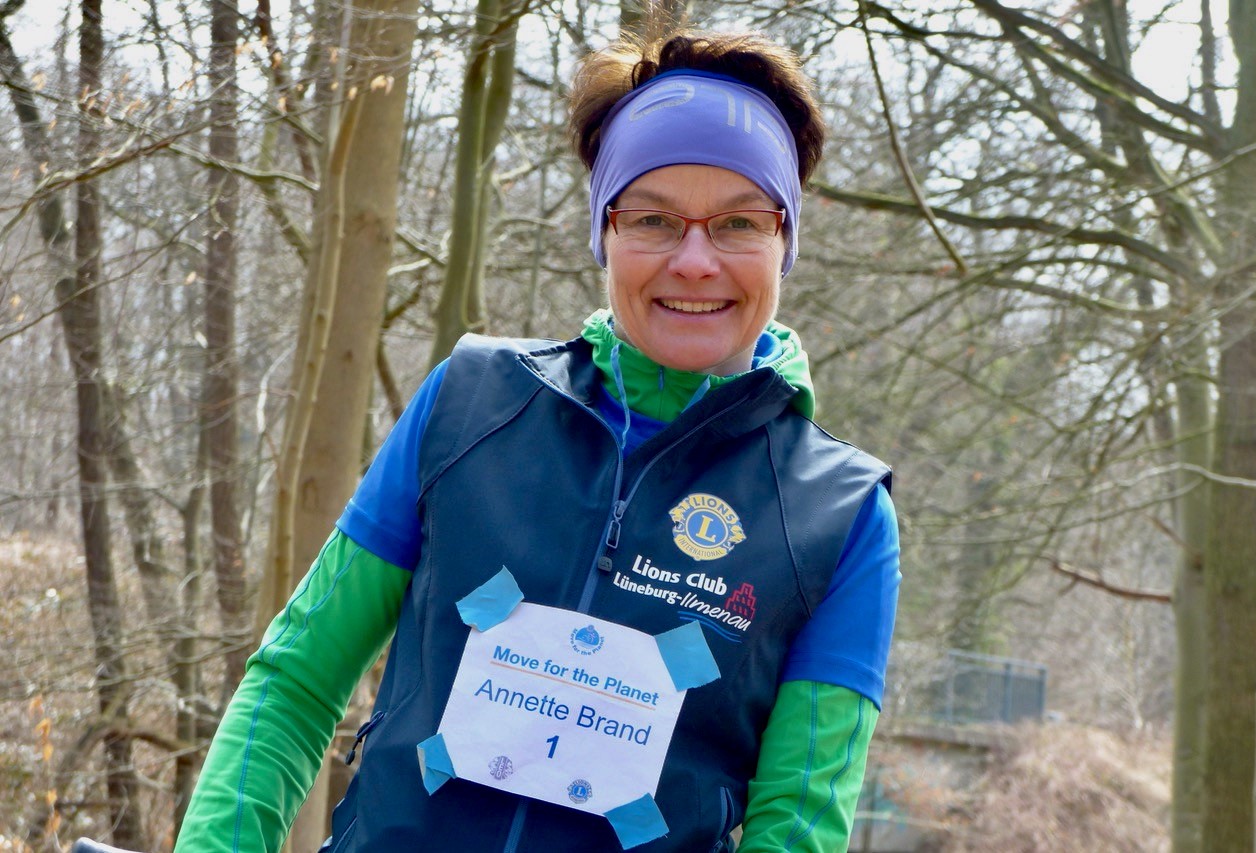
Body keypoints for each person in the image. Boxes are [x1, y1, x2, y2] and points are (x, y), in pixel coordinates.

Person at [175, 28, 898, 853]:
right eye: (653, 220)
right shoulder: (471, 401)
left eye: (738, 222)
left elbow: (797, 824)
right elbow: (297, 679)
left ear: (784, 238)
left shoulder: (841, 515)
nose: (695, 261)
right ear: (603, 230)